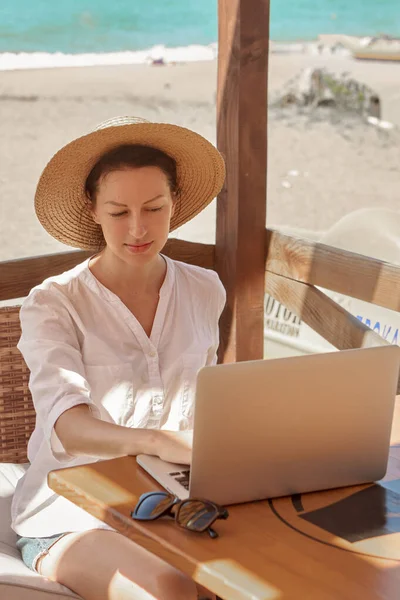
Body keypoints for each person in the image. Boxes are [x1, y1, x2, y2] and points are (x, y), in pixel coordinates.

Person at [11, 116, 226, 600]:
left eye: (154, 207)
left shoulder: (204, 289)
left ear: (175, 204)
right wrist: (161, 440)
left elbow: (212, 398)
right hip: (69, 515)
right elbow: (69, 427)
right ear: (92, 210)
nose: (137, 228)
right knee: (170, 589)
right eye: (118, 211)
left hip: (175, 503)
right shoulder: (54, 302)